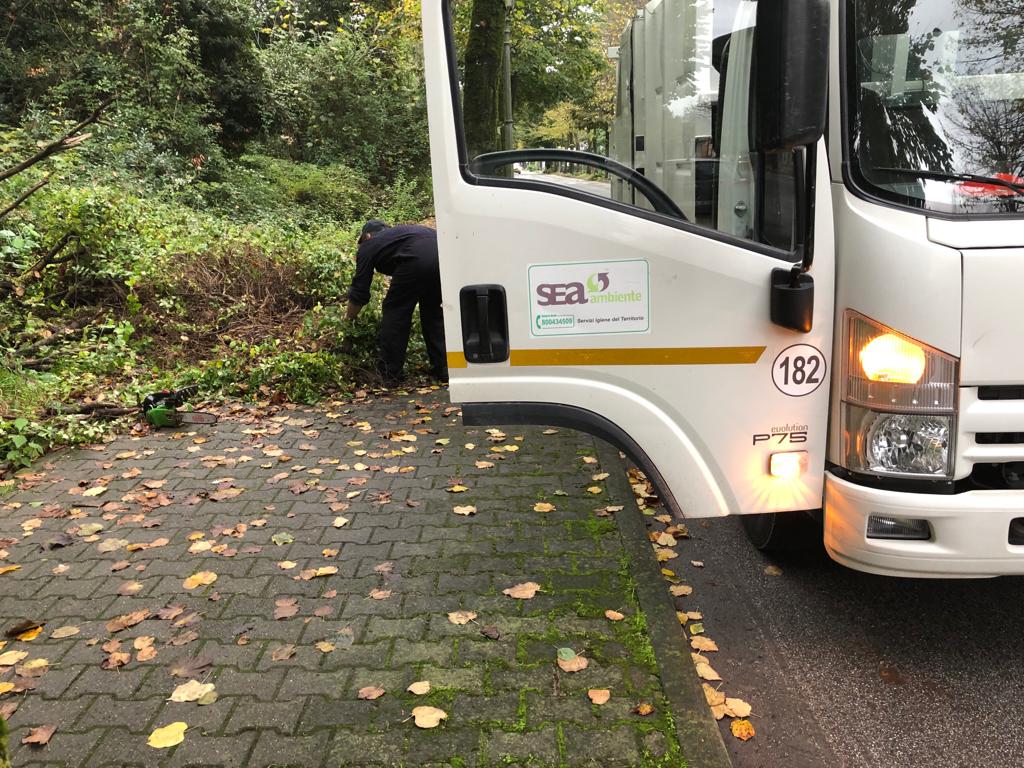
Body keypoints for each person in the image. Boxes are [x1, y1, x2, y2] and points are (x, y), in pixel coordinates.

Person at [345, 219, 448, 385]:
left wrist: (349, 320)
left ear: (367, 235)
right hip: (444, 254)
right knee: (432, 312)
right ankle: (444, 368)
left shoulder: (369, 244)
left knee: (395, 310)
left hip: (417, 258)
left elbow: (360, 291)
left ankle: (389, 373)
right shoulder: (400, 235)